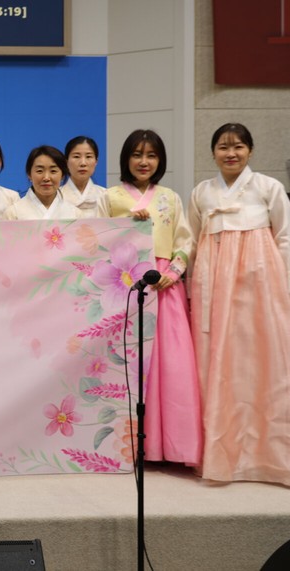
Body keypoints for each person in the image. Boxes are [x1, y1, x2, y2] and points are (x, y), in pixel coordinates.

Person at [189, 123, 290, 488]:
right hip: (213, 285)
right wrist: (191, 289)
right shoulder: (201, 192)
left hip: (260, 282)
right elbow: (192, 242)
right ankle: (222, 453)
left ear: (250, 151)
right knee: (218, 362)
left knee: (266, 362)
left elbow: (285, 237)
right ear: (213, 153)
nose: (231, 153)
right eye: (223, 147)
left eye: (238, 146)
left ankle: (273, 456)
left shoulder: (269, 187)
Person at [96, 129, 201, 466]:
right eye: (137, 154)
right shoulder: (110, 197)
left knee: (170, 363)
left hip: (163, 284)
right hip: (126, 283)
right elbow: (94, 238)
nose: (144, 162)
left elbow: (185, 240)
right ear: (125, 158)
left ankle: (170, 446)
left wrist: (175, 270)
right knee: (128, 361)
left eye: (152, 155)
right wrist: (125, 225)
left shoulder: (171, 198)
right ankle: (127, 445)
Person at [4, 146, 80, 220]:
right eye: (39, 171)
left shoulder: (75, 214)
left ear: (62, 175)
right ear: (29, 174)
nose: (46, 178)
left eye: (53, 171)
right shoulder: (13, 214)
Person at [61, 135, 106, 218]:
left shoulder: (105, 195)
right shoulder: (56, 197)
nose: (83, 163)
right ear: (66, 161)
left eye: (88, 157)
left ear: (96, 161)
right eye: (76, 156)